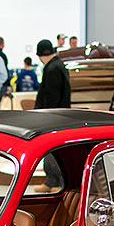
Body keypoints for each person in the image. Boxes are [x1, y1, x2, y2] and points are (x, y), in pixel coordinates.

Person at [34, 39, 71, 193]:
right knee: (52, 151)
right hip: (58, 115)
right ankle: (52, 180)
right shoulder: (57, 65)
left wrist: (44, 115)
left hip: (53, 117)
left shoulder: (52, 69)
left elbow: (52, 96)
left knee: (53, 150)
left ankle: (58, 181)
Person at [0, 37, 10, 109]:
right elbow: (5, 70)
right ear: (3, 44)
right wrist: (8, 84)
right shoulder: (3, 56)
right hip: (2, 84)